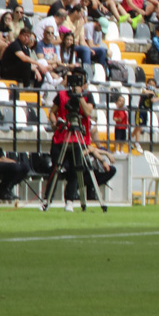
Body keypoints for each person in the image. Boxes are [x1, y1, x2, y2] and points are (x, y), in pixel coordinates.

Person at [46, 69, 96, 211]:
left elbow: (87, 112)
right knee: (56, 168)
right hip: (61, 136)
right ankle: (47, 200)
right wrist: (54, 122)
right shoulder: (61, 95)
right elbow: (52, 112)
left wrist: (79, 96)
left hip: (78, 138)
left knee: (76, 170)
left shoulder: (88, 96)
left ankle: (70, 200)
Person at [131, 78, 159, 153]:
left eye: (153, 85)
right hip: (140, 110)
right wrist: (151, 92)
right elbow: (144, 91)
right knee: (139, 127)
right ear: (147, 84)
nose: (151, 86)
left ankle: (129, 138)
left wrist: (155, 99)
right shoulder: (144, 89)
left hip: (146, 112)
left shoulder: (154, 91)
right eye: (150, 84)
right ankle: (137, 144)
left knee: (138, 127)